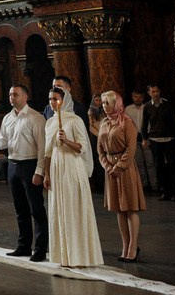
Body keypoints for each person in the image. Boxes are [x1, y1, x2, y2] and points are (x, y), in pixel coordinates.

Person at [43, 87, 103, 268]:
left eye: (55, 99)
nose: (52, 102)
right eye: (50, 99)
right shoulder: (50, 122)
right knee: (58, 208)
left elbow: (83, 147)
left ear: (64, 100)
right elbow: (47, 152)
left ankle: (80, 256)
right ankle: (64, 255)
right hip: (55, 166)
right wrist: (46, 173)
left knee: (73, 207)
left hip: (71, 165)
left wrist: (66, 140)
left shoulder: (75, 120)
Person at [0, 84, 48, 262]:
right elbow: (4, 143)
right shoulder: (7, 118)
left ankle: (40, 249)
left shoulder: (35, 118)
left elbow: (42, 148)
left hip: (30, 165)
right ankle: (23, 246)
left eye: (15, 94)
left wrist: (39, 171)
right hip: (13, 165)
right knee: (20, 209)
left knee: (36, 209)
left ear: (25, 97)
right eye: (10, 94)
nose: (11, 97)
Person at [98, 91, 145, 263]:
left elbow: (131, 149)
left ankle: (133, 247)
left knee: (130, 208)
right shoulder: (104, 123)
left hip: (125, 169)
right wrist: (107, 166)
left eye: (107, 103)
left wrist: (118, 167)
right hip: (110, 169)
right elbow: (100, 150)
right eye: (102, 103)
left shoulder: (127, 122)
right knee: (119, 209)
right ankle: (125, 246)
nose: (104, 106)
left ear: (116, 103)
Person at [141, 83, 175, 200]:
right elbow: (144, 124)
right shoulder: (147, 106)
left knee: (172, 165)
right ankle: (165, 191)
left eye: (157, 91)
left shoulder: (167, 104)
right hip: (155, 139)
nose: (155, 94)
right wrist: (144, 138)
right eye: (153, 92)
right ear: (149, 93)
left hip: (169, 138)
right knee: (159, 166)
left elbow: (174, 122)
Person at [125, 89, 159, 192]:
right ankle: (144, 186)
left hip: (147, 137)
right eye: (136, 97)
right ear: (132, 97)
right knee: (139, 163)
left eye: (140, 97)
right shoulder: (128, 109)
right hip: (134, 137)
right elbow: (126, 124)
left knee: (150, 162)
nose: (138, 99)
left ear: (143, 98)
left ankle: (155, 185)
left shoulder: (148, 107)